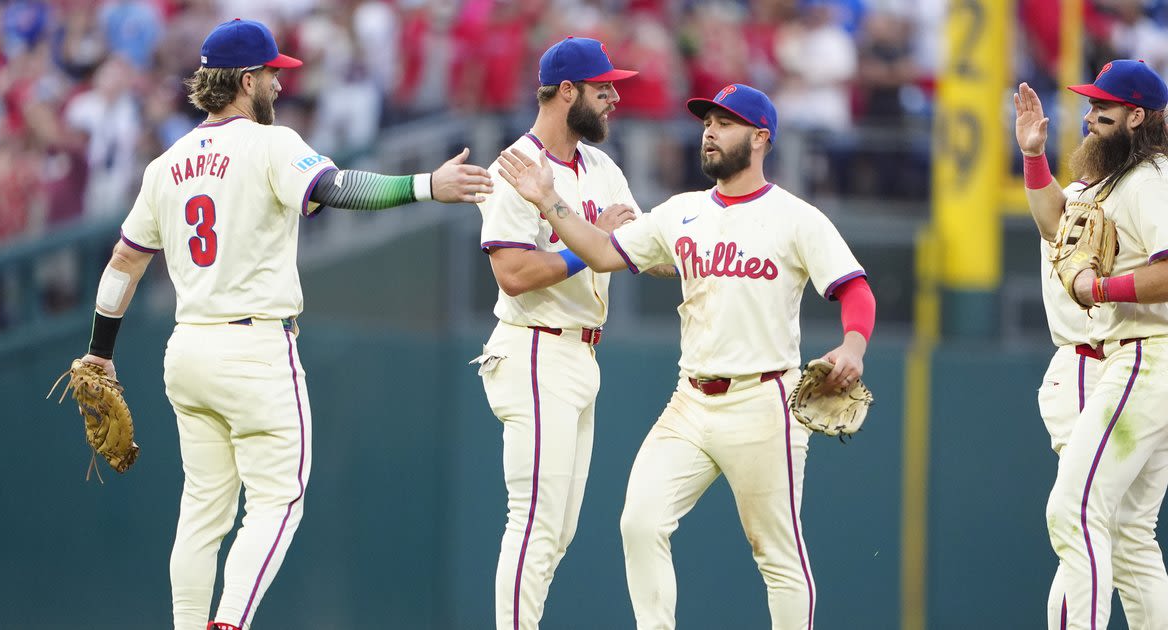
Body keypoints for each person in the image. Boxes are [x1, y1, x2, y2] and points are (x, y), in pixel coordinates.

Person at [72, 19, 491, 630]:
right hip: (254, 348)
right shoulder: (271, 144)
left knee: (201, 511)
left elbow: (123, 263)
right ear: (245, 80)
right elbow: (339, 186)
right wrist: (427, 184)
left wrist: (99, 352)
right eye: (271, 73)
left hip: (187, 350)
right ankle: (228, 624)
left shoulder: (165, 164)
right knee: (277, 500)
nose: (278, 82)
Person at [495, 83, 877, 629]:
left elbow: (855, 290)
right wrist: (549, 202)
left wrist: (854, 345)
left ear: (761, 137)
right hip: (691, 402)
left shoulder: (797, 218)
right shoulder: (682, 213)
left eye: (726, 123)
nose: (710, 132)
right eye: (707, 122)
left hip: (763, 401)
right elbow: (603, 252)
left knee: (779, 557)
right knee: (640, 523)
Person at [472, 35, 670, 630]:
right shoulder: (516, 166)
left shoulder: (601, 166)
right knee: (533, 522)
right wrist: (591, 244)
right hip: (535, 347)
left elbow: (638, 247)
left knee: (556, 533)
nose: (613, 97)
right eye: (603, 87)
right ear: (566, 91)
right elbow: (513, 274)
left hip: (581, 353)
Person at [1016, 60, 1168, 629]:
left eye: (1104, 106)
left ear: (1137, 115)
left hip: (1143, 356)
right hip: (1137, 360)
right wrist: (1033, 157)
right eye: (1089, 102)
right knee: (1129, 534)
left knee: (1073, 511)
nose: (1090, 113)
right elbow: (1058, 225)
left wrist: (1101, 286)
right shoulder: (1116, 178)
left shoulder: (1151, 176)